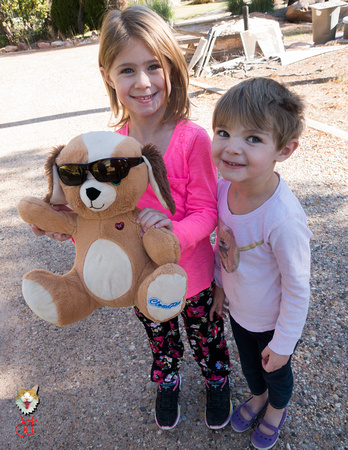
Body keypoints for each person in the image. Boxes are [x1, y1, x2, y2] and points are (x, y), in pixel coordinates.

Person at [32, 6, 232, 431]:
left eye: (153, 66)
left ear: (172, 67)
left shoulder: (191, 139)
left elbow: (207, 211)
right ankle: (168, 381)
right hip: (138, 278)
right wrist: (63, 224)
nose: (142, 83)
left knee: (207, 337)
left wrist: (173, 235)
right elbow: (99, 216)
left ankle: (217, 381)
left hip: (191, 275)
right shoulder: (109, 144)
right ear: (107, 75)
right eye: (127, 70)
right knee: (160, 337)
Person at [209, 77, 312, 449]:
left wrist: (284, 342)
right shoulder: (223, 190)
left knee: (277, 374)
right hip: (239, 312)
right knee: (251, 368)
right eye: (223, 132)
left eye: (253, 138)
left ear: (284, 150)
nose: (232, 148)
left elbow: (299, 288)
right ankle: (257, 397)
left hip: (273, 322)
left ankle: (275, 409)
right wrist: (220, 285)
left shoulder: (283, 220)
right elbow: (223, 243)